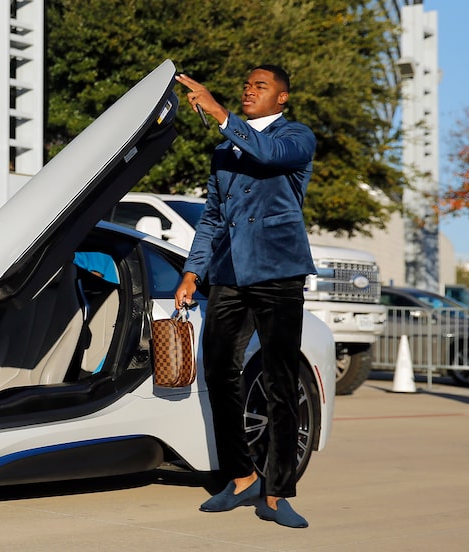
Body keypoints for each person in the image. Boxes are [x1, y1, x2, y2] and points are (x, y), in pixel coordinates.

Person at [173, 65, 317, 529]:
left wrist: (220, 112)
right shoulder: (223, 150)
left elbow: (270, 156)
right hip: (230, 274)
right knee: (218, 370)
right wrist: (193, 271)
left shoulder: (296, 136)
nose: (249, 90)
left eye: (260, 86)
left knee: (279, 380)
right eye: (246, 84)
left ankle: (277, 492)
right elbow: (213, 217)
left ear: (281, 99)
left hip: (279, 273)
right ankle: (240, 476)